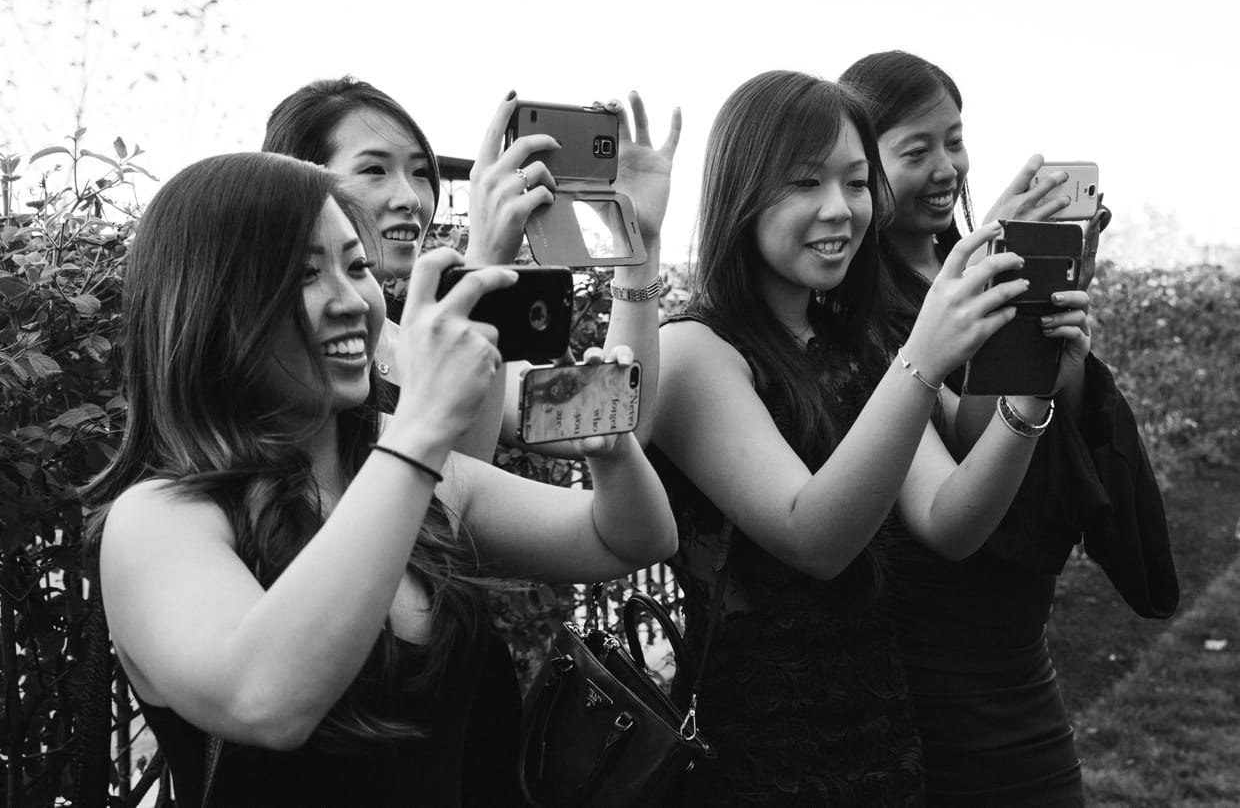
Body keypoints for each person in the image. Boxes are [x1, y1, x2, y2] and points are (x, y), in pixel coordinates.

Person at [83, 152, 677, 807]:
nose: (351, 300)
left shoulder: (418, 474)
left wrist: (612, 452)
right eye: (305, 273)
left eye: (356, 266)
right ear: (210, 305)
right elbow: (265, 700)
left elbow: (627, 540)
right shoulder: (162, 518)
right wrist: (421, 422)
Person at [645, 69, 1091, 806]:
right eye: (805, 183)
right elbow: (815, 536)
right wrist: (922, 359)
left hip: (880, 737)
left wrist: (1029, 394)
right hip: (761, 757)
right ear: (741, 193)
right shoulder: (697, 353)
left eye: (856, 183)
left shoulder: (847, 345)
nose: (840, 209)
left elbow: (952, 521)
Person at [840, 49, 1177, 807]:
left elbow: (1014, 413)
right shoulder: (864, 311)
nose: (946, 167)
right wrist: (1022, 366)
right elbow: (960, 442)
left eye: (954, 140)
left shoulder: (979, 276)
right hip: (941, 660)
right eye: (915, 149)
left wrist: (1066, 361)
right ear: (863, 167)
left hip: (1020, 648)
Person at [262, 77, 680, 458]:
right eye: (375, 169)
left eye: (422, 172)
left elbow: (612, 420)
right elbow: (445, 489)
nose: (410, 197)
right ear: (298, 177)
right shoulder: (266, 354)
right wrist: (484, 262)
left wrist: (639, 248)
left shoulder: (413, 334)